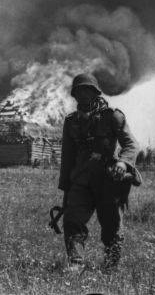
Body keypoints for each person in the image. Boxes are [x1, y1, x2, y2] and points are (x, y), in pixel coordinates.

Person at [58, 73, 139, 271]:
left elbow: (131, 144)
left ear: (95, 93)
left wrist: (123, 163)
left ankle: (111, 265)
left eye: (88, 91)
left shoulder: (112, 116)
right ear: (74, 95)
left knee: (111, 225)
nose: (83, 95)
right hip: (81, 179)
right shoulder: (71, 122)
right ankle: (76, 264)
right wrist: (66, 187)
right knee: (72, 220)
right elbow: (67, 156)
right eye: (79, 91)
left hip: (108, 179)